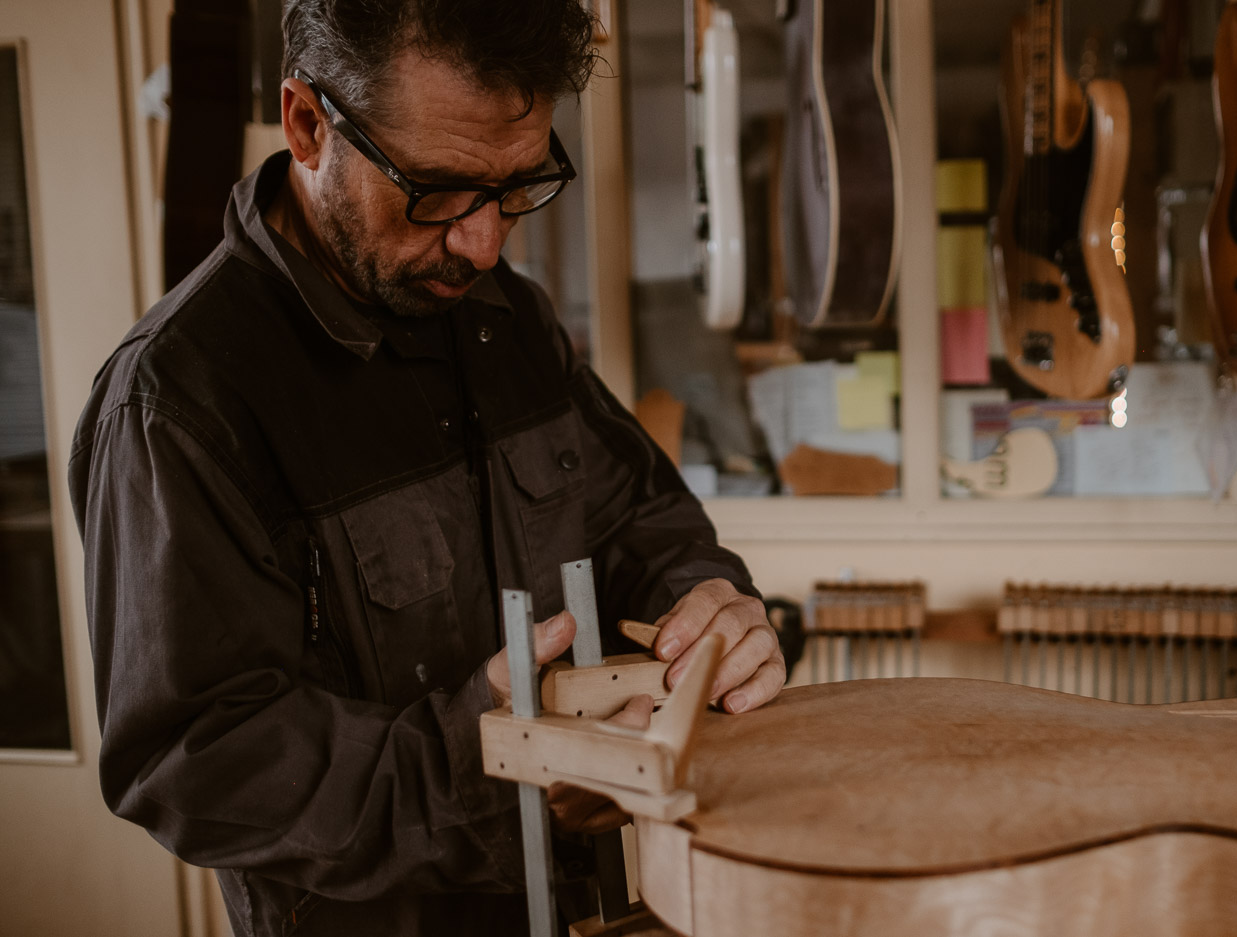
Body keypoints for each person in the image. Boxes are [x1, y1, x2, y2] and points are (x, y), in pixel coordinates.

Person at [67, 1, 785, 934]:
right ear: (308, 125)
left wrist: (712, 607)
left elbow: (642, 522)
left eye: (520, 185)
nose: (484, 244)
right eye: (439, 189)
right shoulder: (178, 400)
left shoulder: (507, 317)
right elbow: (196, 761)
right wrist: (487, 762)